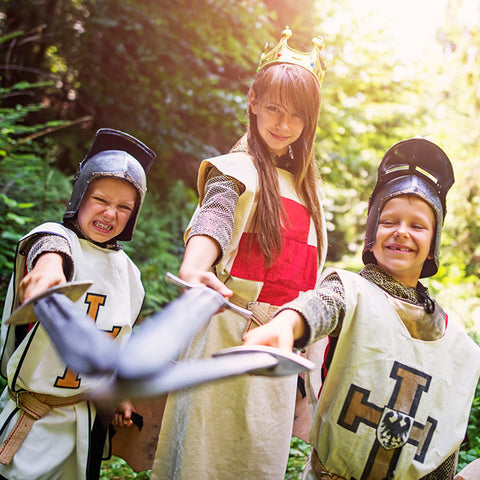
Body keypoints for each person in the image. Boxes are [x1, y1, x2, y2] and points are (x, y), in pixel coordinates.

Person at [243, 137, 480, 479]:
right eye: (389, 221)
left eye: (417, 225)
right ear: (372, 231)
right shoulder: (351, 290)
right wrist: (286, 326)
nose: (401, 233)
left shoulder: (453, 341)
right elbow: (323, 305)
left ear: (432, 245)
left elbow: (441, 435)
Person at [150, 27, 328, 480]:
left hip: (275, 357)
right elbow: (214, 217)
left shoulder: (310, 194)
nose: (282, 124)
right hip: (223, 337)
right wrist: (194, 266)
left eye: (294, 116)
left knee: (256, 463)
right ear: (252, 101)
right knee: (202, 461)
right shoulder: (234, 171)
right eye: (272, 108)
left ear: (309, 122)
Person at [0, 128, 156, 480]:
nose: (110, 214)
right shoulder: (57, 239)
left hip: (85, 425)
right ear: (80, 193)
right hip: (34, 422)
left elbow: (113, 347)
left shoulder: (130, 275)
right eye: (101, 199)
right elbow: (50, 249)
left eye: (124, 207)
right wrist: (47, 272)